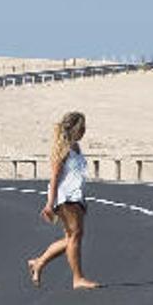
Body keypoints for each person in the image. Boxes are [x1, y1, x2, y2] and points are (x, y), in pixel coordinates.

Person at [27, 112, 101, 290]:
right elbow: (54, 178)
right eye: (82, 128)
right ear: (75, 129)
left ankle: (39, 262)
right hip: (66, 198)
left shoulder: (76, 147)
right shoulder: (63, 149)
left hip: (75, 197)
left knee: (71, 237)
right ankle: (77, 279)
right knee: (75, 236)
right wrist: (50, 204)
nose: (84, 131)